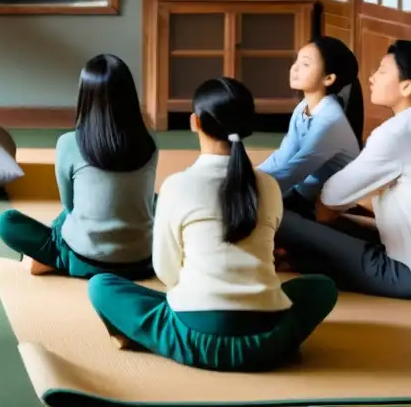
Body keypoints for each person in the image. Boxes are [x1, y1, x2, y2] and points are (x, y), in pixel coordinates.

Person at [87, 77, 337, 372]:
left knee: (101, 286)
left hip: (195, 338)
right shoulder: (269, 186)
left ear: (195, 122)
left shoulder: (176, 185)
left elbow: (167, 273)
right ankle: (282, 342)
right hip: (267, 341)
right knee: (322, 287)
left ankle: (147, 336)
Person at [0, 54, 156, 279]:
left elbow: (69, 205)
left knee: (8, 222)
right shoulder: (149, 143)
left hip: (85, 258)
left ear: (85, 96)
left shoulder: (69, 143)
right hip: (142, 262)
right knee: (153, 200)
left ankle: (58, 260)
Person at [275, 41, 411, 299]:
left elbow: (331, 197)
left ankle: (286, 254)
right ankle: (290, 255)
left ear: (407, 86)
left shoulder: (393, 133)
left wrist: (330, 212)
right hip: (399, 246)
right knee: (328, 228)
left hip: (403, 272)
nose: (371, 78)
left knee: (281, 217)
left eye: (382, 71)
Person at [257, 36, 363, 217]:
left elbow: (294, 172)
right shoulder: (302, 108)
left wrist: (246, 189)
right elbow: (282, 158)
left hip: (332, 206)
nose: (295, 68)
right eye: (296, 61)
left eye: (305, 64)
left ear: (328, 78)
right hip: (307, 193)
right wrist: (249, 176)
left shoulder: (329, 121)